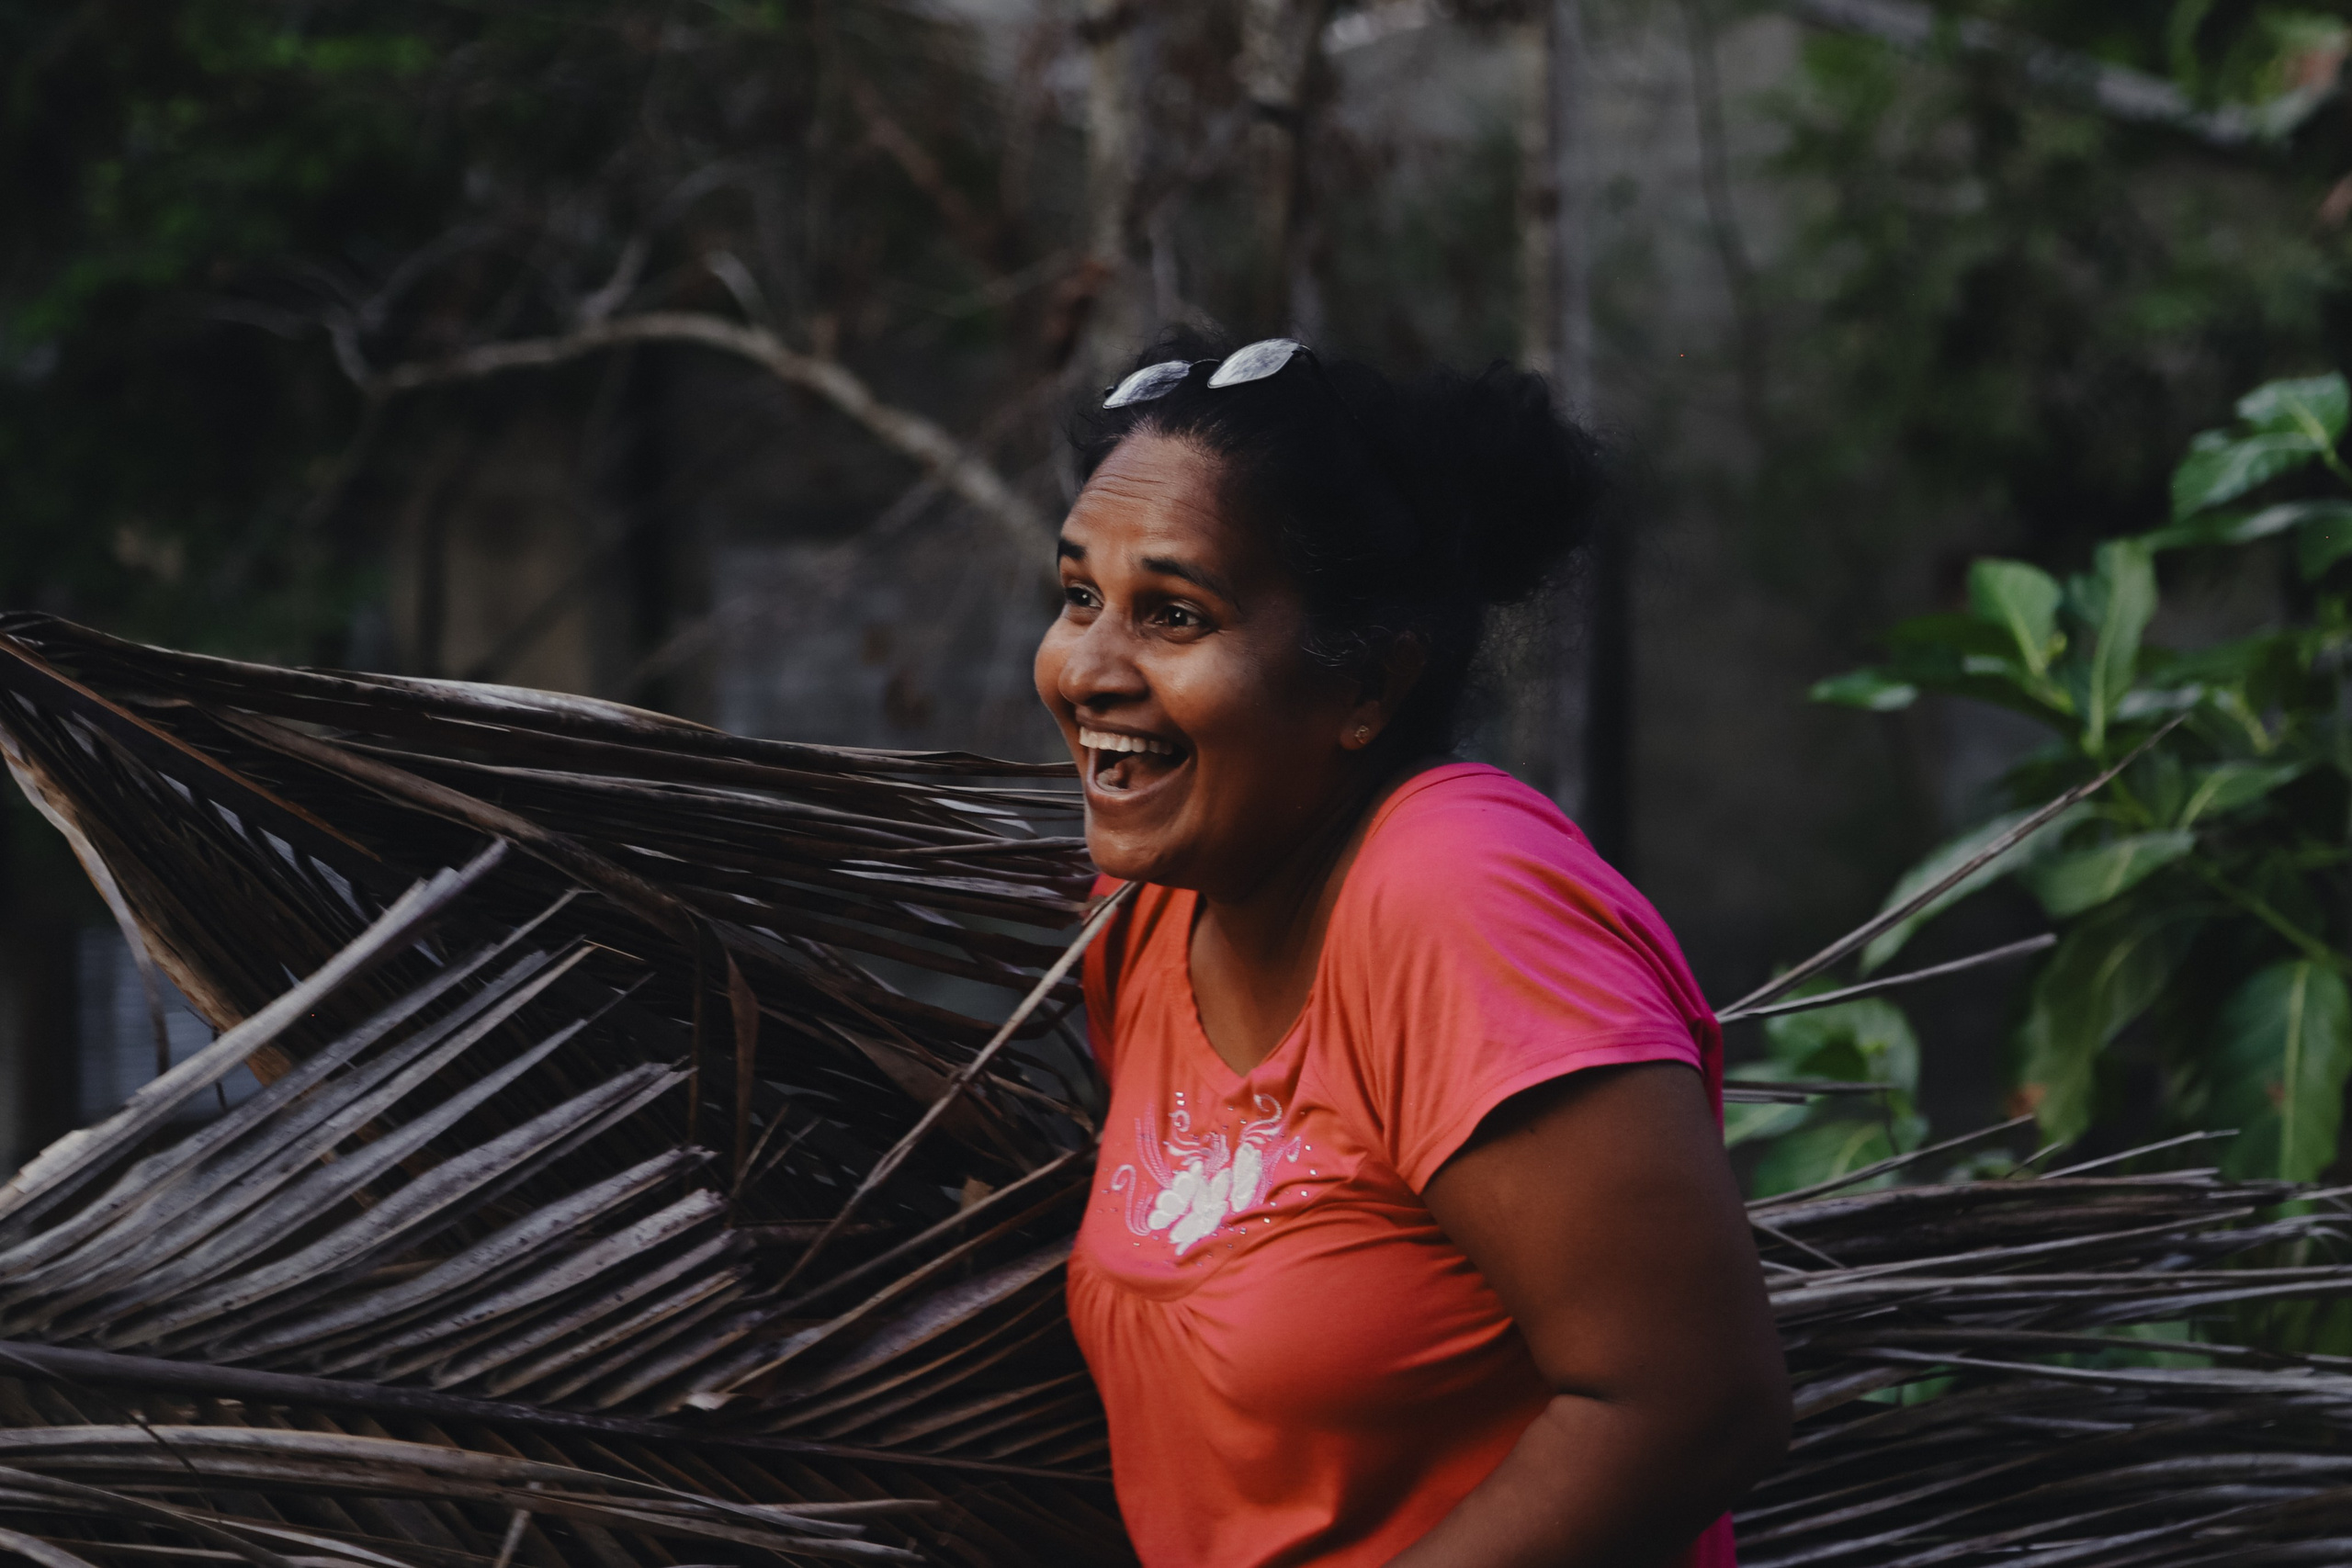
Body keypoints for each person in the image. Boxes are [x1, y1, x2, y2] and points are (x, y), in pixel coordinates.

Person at [1031, 333, 1791, 1568]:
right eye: (1077, 598)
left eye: (1174, 615)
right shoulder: (1155, 916)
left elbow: (1694, 1408)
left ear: (1368, 686)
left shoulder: (1461, 906)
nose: (1086, 671)